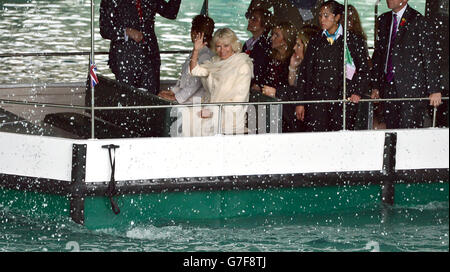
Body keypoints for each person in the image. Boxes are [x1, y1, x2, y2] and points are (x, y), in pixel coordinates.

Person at [297, 0, 371, 132]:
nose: (322, 19)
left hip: (342, 100)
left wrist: (357, 91)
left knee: (340, 139)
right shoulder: (315, 40)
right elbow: (305, 72)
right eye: (320, 15)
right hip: (317, 100)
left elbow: (364, 69)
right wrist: (301, 101)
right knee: (318, 138)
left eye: (326, 15)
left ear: (337, 17)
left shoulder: (353, 40)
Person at [371, 0, 443, 129]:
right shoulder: (384, 20)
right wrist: (375, 85)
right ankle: (392, 149)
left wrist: (434, 89)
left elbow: (430, 57)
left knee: (409, 131)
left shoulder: (418, 20)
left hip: (411, 89)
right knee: (391, 129)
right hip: (388, 86)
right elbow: (379, 55)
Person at [99, 0, 182, 95]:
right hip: (125, 60)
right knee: (127, 99)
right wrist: (127, 32)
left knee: (150, 99)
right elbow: (105, 29)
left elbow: (171, 13)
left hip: (150, 58)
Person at [187, 28, 254, 136]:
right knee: (187, 117)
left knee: (192, 121)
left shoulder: (242, 66)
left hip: (231, 117)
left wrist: (212, 112)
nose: (222, 50)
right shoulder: (215, 62)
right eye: (218, 46)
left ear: (233, 45)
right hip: (212, 111)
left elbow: (237, 101)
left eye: (226, 46)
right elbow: (194, 71)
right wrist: (196, 51)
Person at [158, 15, 215, 104]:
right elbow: (186, 79)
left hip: (194, 103)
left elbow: (195, 84)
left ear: (197, 33)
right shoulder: (197, 52)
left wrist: (176, 98)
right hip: (187, 99)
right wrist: (173, 91)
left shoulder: (205, 56)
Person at [260, 22, 297, 132]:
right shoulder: (270, 56)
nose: (272, 38)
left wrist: (277, 92)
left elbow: (293, 87)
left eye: (277, 35)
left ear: (286, 39)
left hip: (283, 107)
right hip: (267, 101)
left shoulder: (292, 59)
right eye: (272, 34)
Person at [243, 7, 273, 91]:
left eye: (254, 19)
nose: (249, 21)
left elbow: (263, 69)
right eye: (250, 18)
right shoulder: (247, 44)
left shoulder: (266, 45)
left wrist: (258, 84)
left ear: (264, 25)